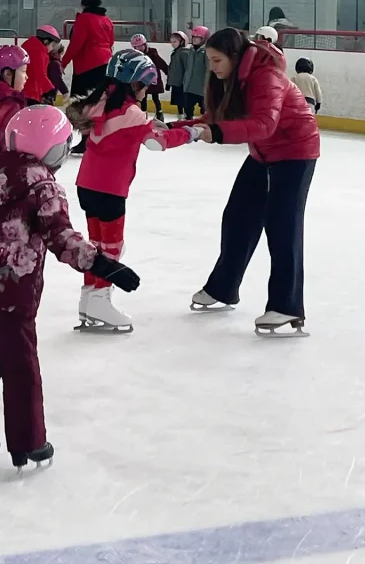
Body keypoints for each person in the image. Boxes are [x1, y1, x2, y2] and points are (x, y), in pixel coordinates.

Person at [0, 104, 141, 468]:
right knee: (21, 370)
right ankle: (28, 443)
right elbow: (62, 238)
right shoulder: (44, 186)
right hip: (13, 295)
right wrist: (103, 264)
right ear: (53, 149)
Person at [174, 28, 320, 335]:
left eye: (216, 60)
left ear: (235, 56)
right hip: (263, 153)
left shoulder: (266, 76)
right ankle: (223, 288)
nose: (212, 66)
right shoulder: (233, 79)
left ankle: (286, 306)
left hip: (295, 150)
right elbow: (214, 118)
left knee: (282, 223)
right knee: (238, 216)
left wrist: (216, 135)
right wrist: (175, 128)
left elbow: (264, 124)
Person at [66, 49, 202, 331]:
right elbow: (157, 142)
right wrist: (191, 133)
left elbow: (132, 127)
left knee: (96, 246)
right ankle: (101, 300)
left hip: (86, 186)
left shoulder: (99, 101)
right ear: (138, 83)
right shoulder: (132, 112)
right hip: (111, 191)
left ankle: (88, 298)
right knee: (112, 249)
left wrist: (157, 124)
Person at [62, 0, 114, 155]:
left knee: (81, 105)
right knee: (98, 103)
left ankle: (85, 141)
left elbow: (76, 44)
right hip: (105, 64)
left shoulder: (84, 19)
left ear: (84, 5)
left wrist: (63, 62)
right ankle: (98, 138)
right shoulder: (107, 20)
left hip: (87, 66)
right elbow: (111, 42)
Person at [130, 33, 169, 121]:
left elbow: (161, 63)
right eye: (136, 47)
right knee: (143, 98)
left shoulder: (153, 53)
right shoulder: (135, 56)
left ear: (145, 44)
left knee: (156, 98)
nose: (139, 48)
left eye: (140, 46)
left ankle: (159, 112)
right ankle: (143, 114)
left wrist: (167, 71)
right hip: (142, 81)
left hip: (153, 80)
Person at [21, 25, 61, 105]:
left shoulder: (29, 46)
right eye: (52, 45)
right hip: (31, 92)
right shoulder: (39, 52)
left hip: (24, 90)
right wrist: (50, 89)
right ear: (46, 41)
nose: (52, 49)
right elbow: (40, 74)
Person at [182, 26, 210, 120]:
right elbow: (188, 68)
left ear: (204, 39)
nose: (194, 39)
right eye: (193, 37)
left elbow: (208, 70)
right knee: (188, 110)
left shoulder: (207, 52)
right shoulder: (190, 50)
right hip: (189, 87)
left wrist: (207, 86)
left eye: (197, 37)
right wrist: (185, 83)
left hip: (202, 89)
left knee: (205, 110)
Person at [167, 31, 190, 119]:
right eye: (171, 42)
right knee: (178, 102)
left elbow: (186, 68)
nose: (172, 44)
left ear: (182, 42)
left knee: (183, 101)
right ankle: (180, 116)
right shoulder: (175, 53)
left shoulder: (184, 52)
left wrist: (185, 81)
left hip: (181, 83)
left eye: (175, 42)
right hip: (176, 82)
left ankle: (184, 116)